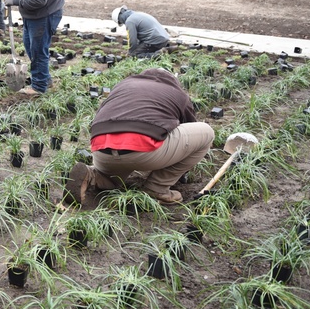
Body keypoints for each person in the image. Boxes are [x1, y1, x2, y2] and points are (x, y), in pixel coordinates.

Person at [65, 68, 214, 206]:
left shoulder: (123, 85)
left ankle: (94, 175)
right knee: (206, 133)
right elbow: (188, 127)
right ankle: (157, 188)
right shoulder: (177, 94)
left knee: (112, 177)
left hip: (101, 149)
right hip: (142, 150)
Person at [4, 0, 65, 96]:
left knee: (38, 50)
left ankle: (38, 86)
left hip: (45, 13)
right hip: (31, 13)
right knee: (29, 45)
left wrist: (16, 0)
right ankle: (45, 78)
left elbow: (39, 0)